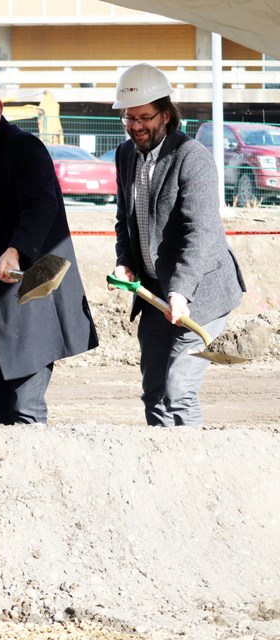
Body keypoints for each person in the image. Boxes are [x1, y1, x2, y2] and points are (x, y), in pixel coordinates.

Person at [0, 59, 98, 425]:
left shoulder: (25, 149)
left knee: (25, 410)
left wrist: (17, 250)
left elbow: (40, 206)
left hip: (29, 301)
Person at [108, 63, 245, 427]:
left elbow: (199, 233)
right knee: (153, 389)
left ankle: (193, 470)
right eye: (129, 117)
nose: (136, 125)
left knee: (179, 388)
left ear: (166, 115)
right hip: (154, 290)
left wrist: (182, 291)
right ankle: (164, 469)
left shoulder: (191, 157)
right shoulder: (125, 156)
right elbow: (125, 220)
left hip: (200, 292)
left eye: (145, 117)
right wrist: (125, 261)